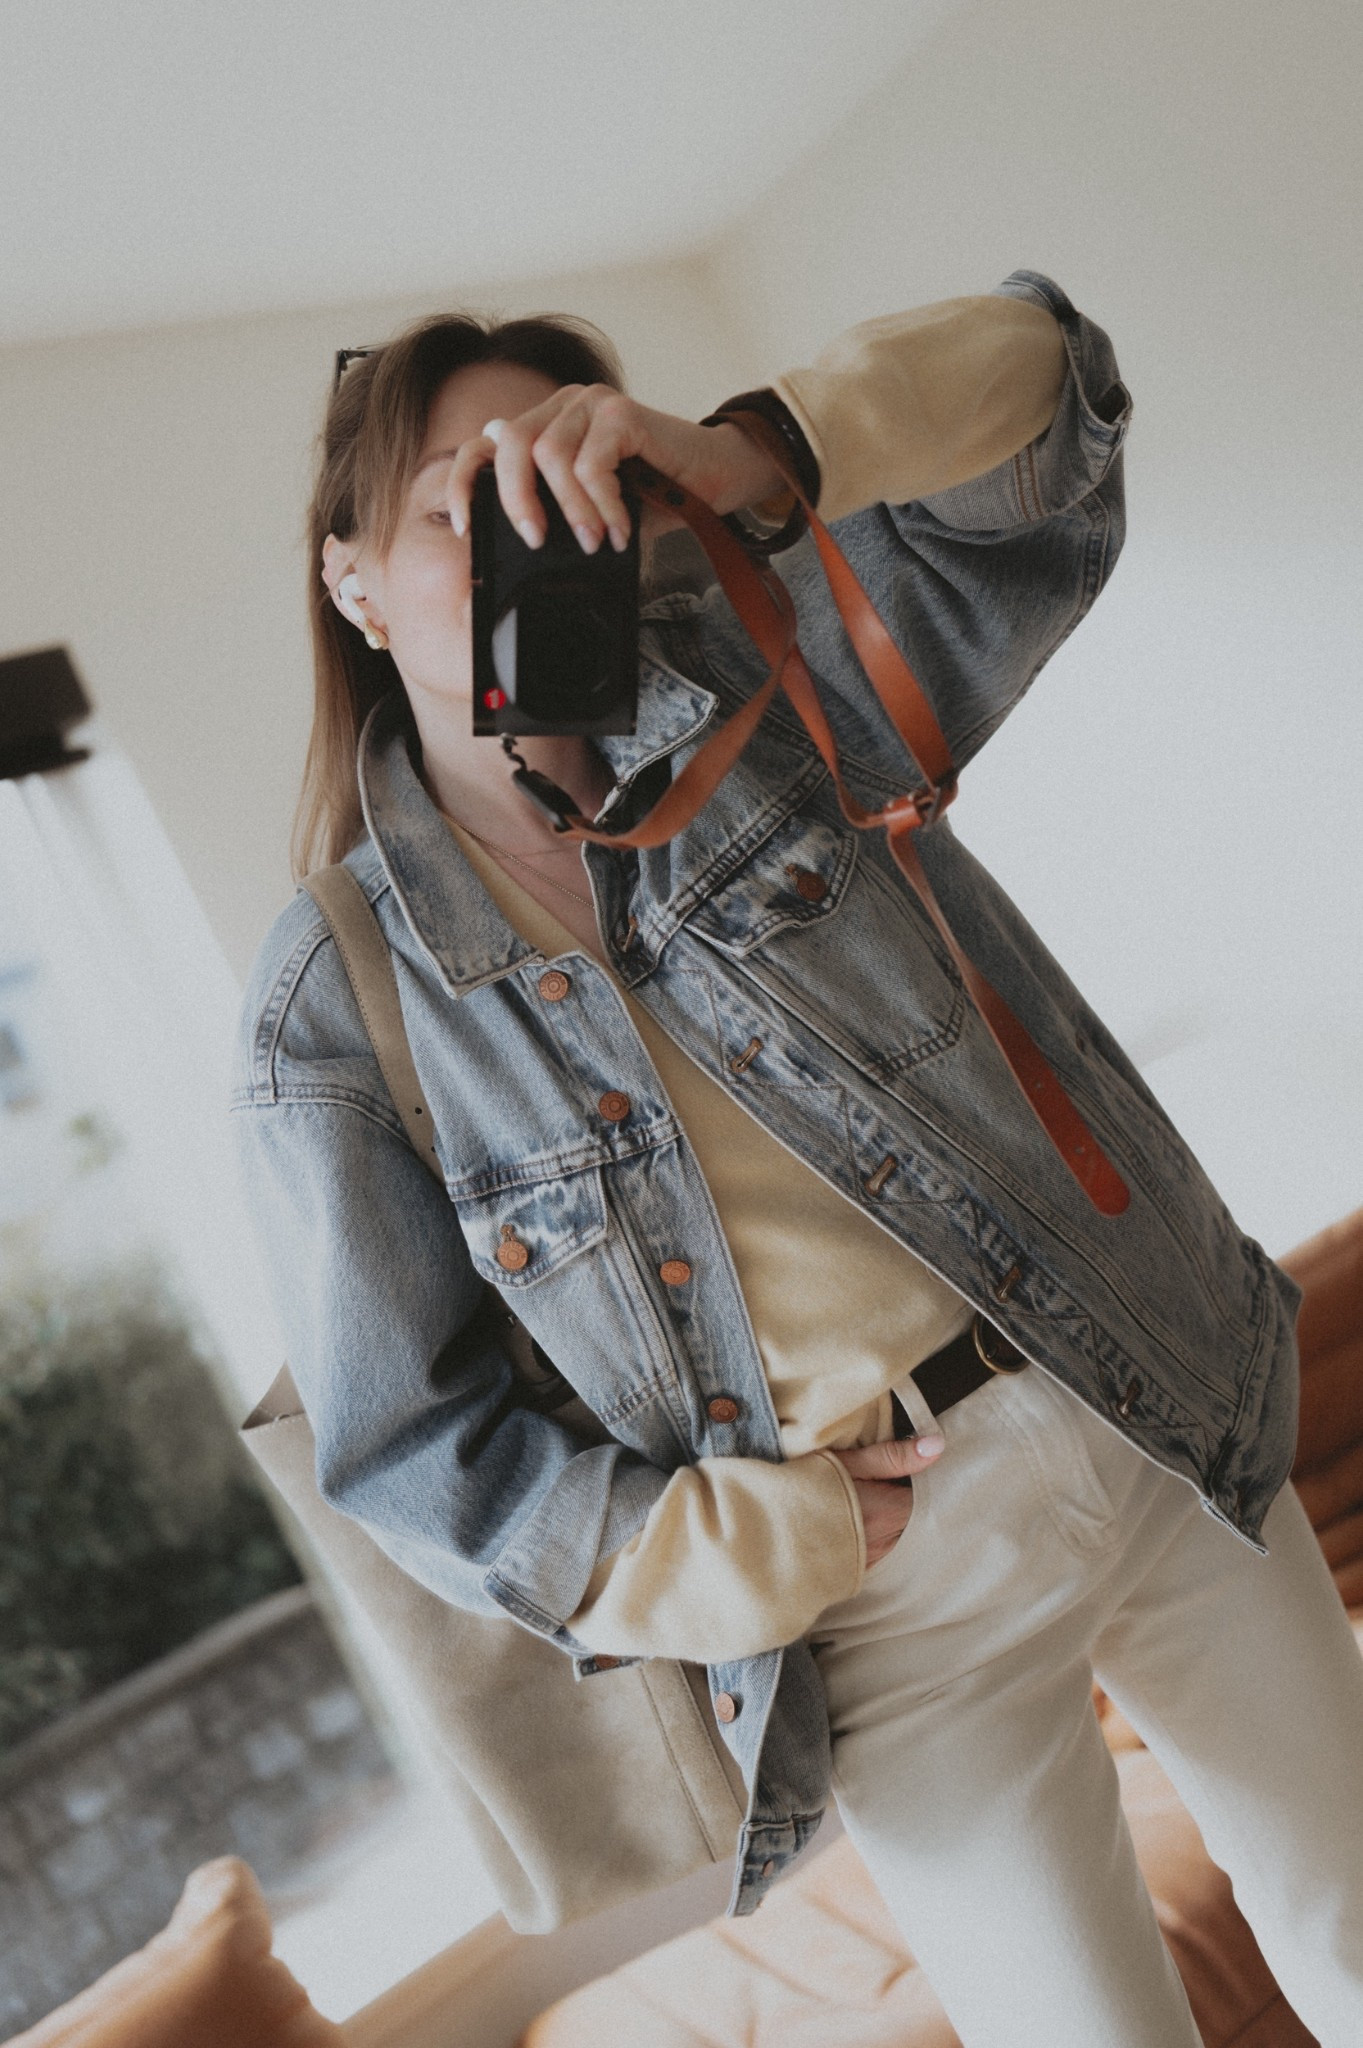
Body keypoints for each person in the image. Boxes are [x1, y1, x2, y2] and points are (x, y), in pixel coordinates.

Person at [232, 270, 1363, 2046]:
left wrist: (752, 453)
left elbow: (1056, 406)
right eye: (461, 504)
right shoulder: (336, 1003)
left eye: (561, 480)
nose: (525, 529)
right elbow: (405, 1444)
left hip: (1140, 1400)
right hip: (876, 1589)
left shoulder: (762, 681)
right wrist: (729, 1552)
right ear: (351, 578)